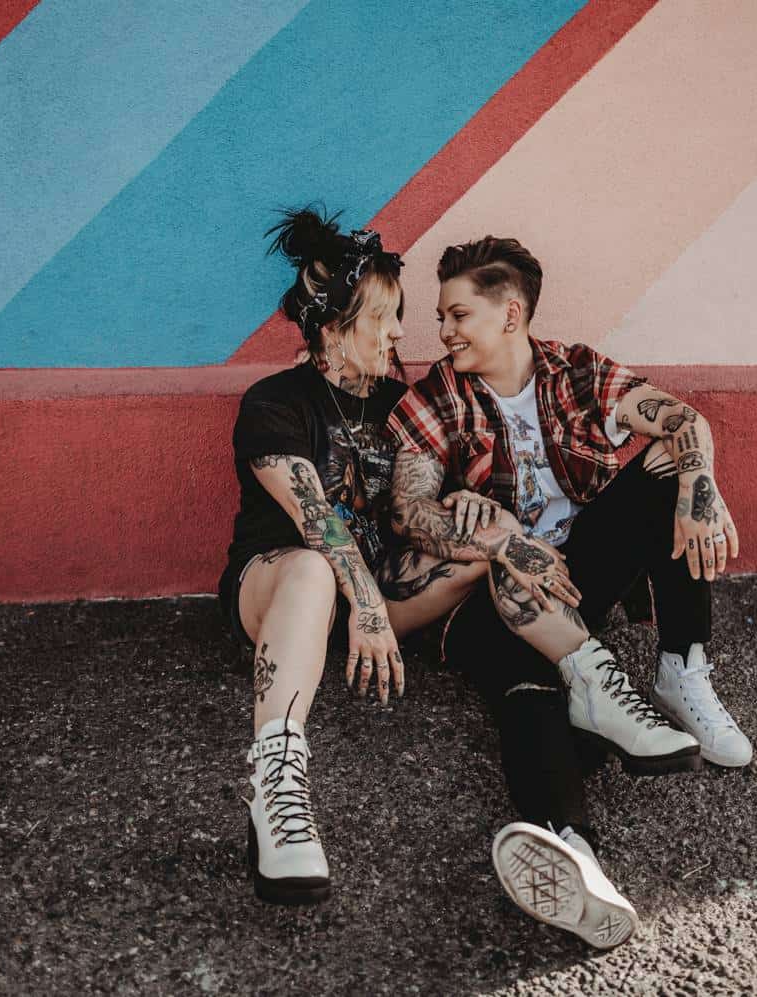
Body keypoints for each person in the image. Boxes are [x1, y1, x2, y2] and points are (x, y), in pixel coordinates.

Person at [385, 236, 752, 948]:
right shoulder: (436, 398)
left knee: (672, 462)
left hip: (575, 575)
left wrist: (699, 485)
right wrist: (497, 540)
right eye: (442, 316)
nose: (445, 331)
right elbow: (408, 510)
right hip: (488, 600)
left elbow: (681, 419)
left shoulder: (575, 371)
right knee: (530, 687)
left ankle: (682, 670)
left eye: (459, 314)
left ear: (511, 313)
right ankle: (572, 851)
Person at [221, 208, 499, 906]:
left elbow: (427, 501)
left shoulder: (400, 403)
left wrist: (474, 510)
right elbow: (316, 520)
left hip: (369, 600)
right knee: (316, 568)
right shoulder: (275, 403)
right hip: (277, 584)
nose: (400, 332)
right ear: (334, 326)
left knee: (479, 556)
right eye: (385, 316)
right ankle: (278, 779)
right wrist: (368, 604)